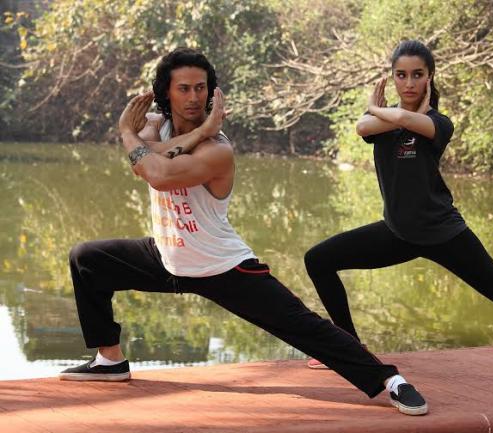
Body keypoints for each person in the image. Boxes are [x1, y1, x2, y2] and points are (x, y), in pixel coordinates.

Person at [58, 47, 429, 416]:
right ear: (165, 93)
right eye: (183, 88)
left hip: (221, 265)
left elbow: (157, 173)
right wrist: (184, 132)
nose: (194, 97)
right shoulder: (157, 124)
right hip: (168, 256)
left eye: (201, 88)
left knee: (304, 326)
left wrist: (131, 133)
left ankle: (390, 380)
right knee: (88, 259)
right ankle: (110, 360)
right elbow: (142, 158)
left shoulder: (218, 149)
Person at [303, 40, 493, 392]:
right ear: (393, 77)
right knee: (318, 259)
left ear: (429, 77)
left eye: (417, 74)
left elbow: (403, 119)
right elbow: (362, 127)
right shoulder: (384, 122)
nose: (408, 83)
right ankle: (350, 349)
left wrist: (376, 108)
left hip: (443, 234)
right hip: (398, 233)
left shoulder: (438, 123)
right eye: (401, 75)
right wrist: (379, 113)